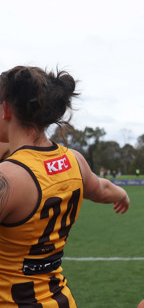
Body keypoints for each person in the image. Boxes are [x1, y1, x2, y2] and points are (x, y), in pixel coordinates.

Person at [0, 66, 130, 307]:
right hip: (59, 299)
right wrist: (122, 195)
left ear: (6, 109)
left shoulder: (8, 177)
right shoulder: (74, 160)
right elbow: (102, 189)